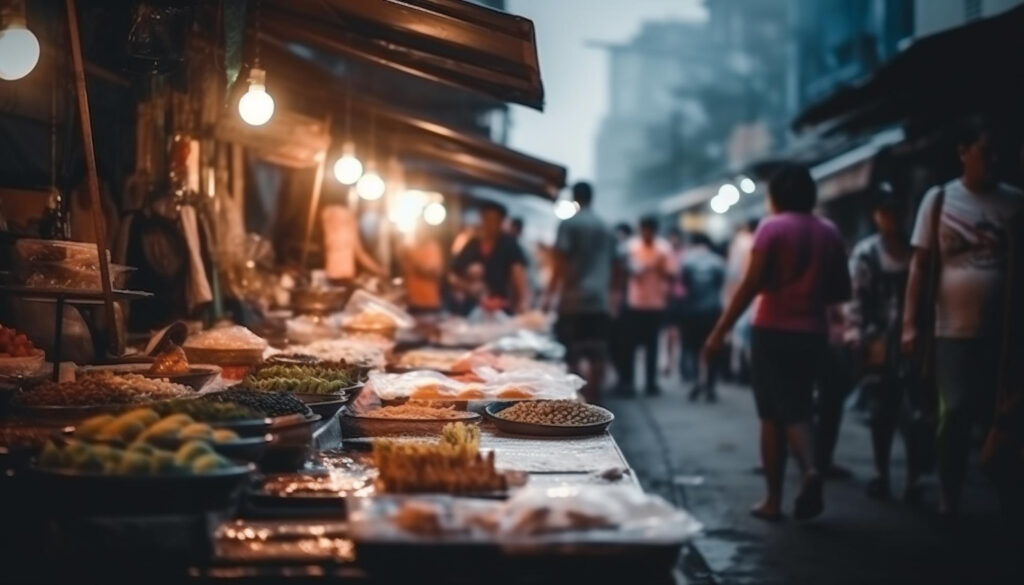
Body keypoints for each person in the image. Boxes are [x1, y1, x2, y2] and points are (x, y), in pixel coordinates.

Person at [703, 163, 851, 521]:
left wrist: (720, 330)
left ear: (777, 196)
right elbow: (840, 290)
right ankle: (809, 471)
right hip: (813, 332)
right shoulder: (829, 231)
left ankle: (782, 492)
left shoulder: (772, 228)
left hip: (772, 330)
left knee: (775, 413)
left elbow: (750, 284)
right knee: (799, 403)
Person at [902, 122, 1024, 517]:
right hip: (950, 330)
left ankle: (1006, 496)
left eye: (997, 152)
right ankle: (950, 491)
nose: (993, 160)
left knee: (1002, 415)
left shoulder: (1014, 203)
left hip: (1006, 334)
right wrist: (910, 323)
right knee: (954, 411)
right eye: (985, 151)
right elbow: (920, 266)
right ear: (963, 151)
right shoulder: (938, 201)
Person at [845, 184, 920, 501]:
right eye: (885, 211)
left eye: (897, 211)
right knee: (882, 413)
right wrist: (856, 332)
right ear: (876, 215)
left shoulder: (917, 249)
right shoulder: (866, 253)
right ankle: (881, 472)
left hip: (915, 342)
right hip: (877, 342)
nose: (892, 217)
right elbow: (856, 298)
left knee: (916, 413)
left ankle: (914, 478)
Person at [544, 182, 616, 403]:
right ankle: (597, 398)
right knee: (598, 352)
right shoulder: (605, 227)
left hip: (573, 300)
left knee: (573, 352)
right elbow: (616, 265)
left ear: (575, 198)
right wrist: (613, 296)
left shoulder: (569, 225)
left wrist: (550, 295)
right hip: (599, 301)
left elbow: (560, 264)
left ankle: (578, 400)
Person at [622, 215, 674, 396]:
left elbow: (672, 274)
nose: (646, 234)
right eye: (643, 230)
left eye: (649, 231)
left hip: (655, 304)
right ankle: (629, 382)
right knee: (630, 345)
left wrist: (658, 268)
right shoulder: (631, 247)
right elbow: (624, 269)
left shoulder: (663, 249)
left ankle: (651, 383)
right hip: (634, 302)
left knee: (652, 345)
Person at [450, 201, 530, 314]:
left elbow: (519, 277)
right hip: (470, 309)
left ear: (501, 222)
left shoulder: (509, 245)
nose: (490, 224)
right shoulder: (472, 244)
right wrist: (467, 287)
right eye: (487, 219)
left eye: (494, 220)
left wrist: (522, 304)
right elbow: (453, 275)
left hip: (499, 309)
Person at [680, 232, 725, 402]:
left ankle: (697, 381)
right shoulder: (717, 261)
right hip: (712, 310)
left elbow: (685, 284)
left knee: (693, 348)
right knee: (712, 347)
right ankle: (711, 385)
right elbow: (720, 284)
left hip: (692, 310)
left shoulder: (687, 260)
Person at [321, 204, 385, 284]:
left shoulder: (347, 233)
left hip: (345, 278)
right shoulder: (332, 227)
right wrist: (378, 270)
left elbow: (361, 255)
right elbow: (361, 255)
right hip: (335, 277)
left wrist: (378, 269)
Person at [398, 226, 444, 316]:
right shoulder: (410, 247)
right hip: (412, 303)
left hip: (429, 303)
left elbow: (433, 272)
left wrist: (412, 259)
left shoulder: (432, 247)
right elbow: (404, 272)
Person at [609, 223, 634, 391]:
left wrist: (615, 304)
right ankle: (624, 379)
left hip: (623, 306)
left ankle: (625, 381)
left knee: (622, 346)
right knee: (619, 346)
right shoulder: (625, 253)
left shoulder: (625, 254)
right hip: (623, 305)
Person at [663, 229, 690, 380]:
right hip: (671, 297)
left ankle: (679, 363)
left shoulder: (685, 256)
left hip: (682, 298)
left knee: (679, 332)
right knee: (671, 333)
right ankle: (670, 362)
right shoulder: (668, 255)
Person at [508, 217, 541, 305]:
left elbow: (521, 270)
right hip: (531, 284)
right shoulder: (526, 244)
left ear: (514, 228)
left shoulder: (517, 245)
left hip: (527, 285)